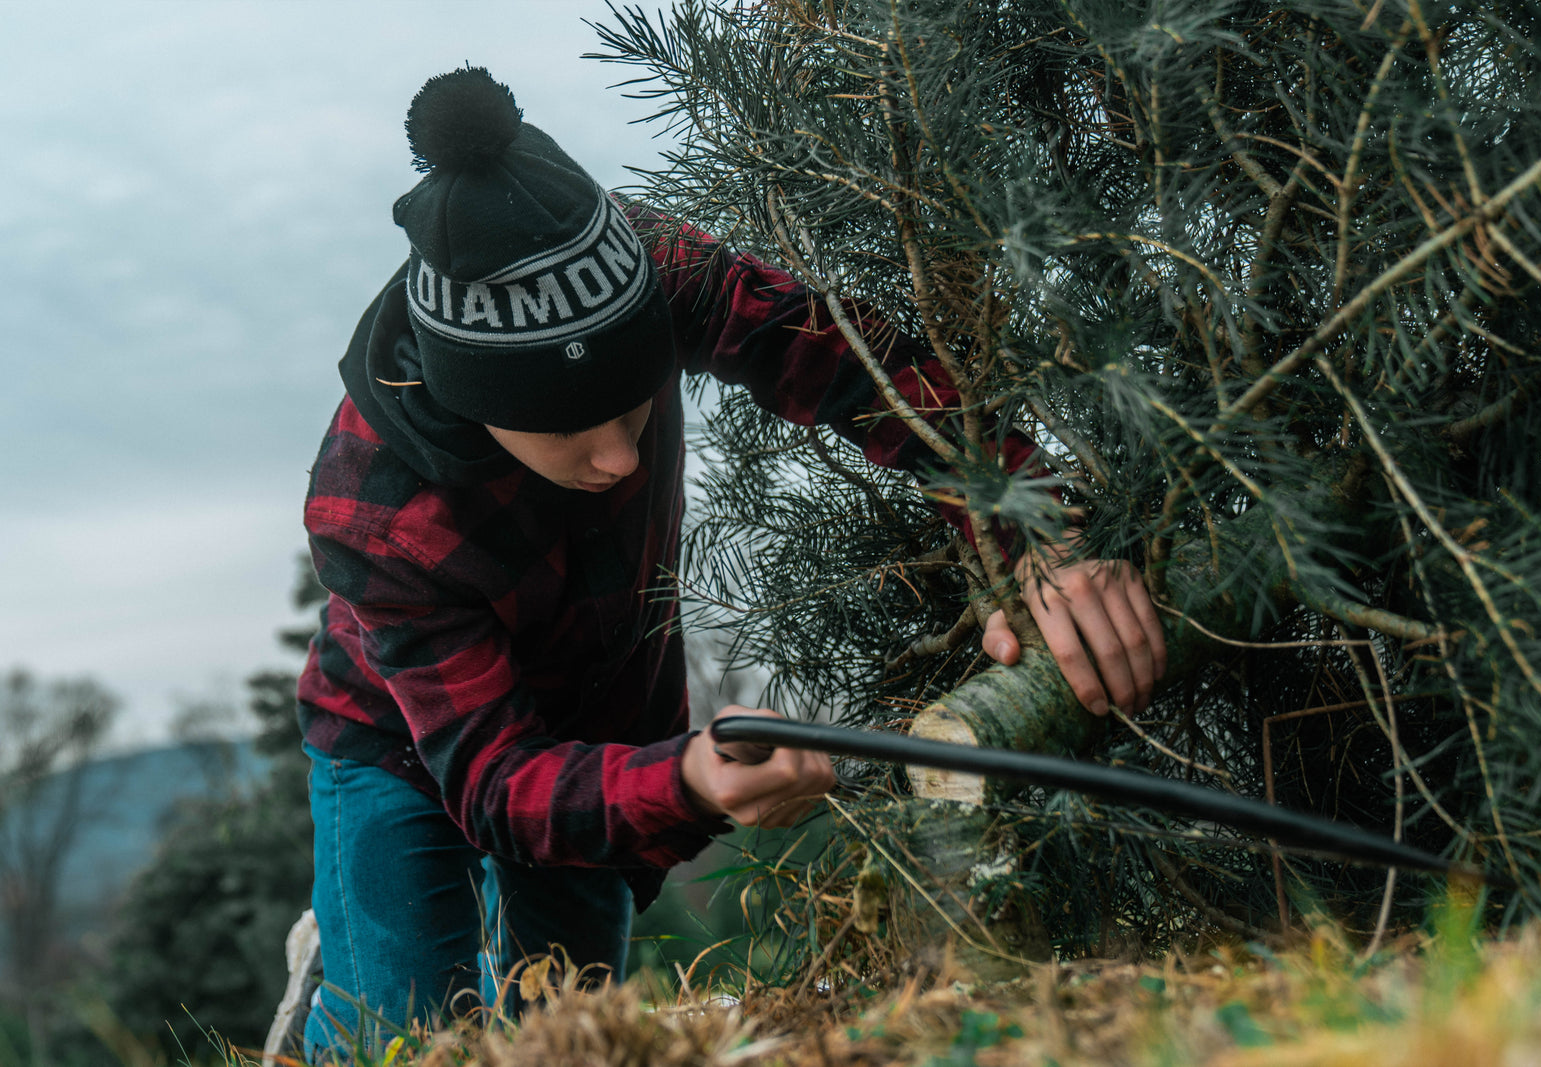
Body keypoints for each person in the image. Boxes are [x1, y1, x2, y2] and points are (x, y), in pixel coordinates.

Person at [295, 65, 1166, 1058]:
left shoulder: (647, 263)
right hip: (404, 743)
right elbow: (495, 781)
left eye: (635, 404)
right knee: (403, 1033)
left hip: (604, 727)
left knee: (571, 1028)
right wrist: (689, 784)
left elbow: (851, 363)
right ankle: (326, 1013)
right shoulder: (370, 506)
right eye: (568, 432)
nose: (620, 457)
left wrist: (1032, 521)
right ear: (477, 401)